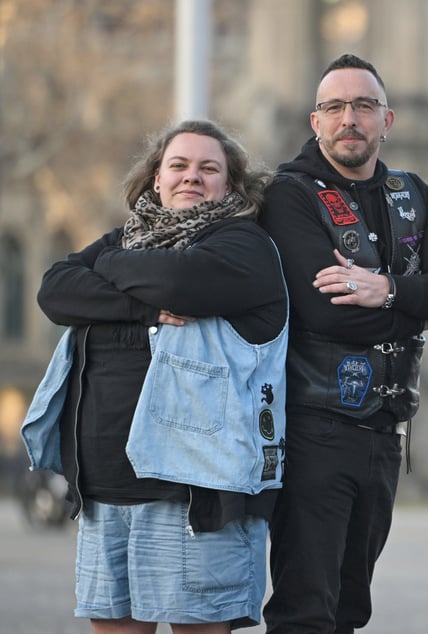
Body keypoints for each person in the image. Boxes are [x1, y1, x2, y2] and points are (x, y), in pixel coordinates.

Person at [20, 119, 289, 633]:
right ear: (156, 179)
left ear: (229, 184)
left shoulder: (244, 246)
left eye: (209, 168)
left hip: (193, 497)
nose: (192, 176)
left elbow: (178, 281)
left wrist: (109, 267)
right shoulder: (129, 238)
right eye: (178, 165)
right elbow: (55, 289)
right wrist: (139, 308)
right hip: (104, 491)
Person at [258, 53, 428, 634]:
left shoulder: (413, 193)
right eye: (335, 107)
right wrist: (414, 305)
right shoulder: (291, 194)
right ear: (316, 122)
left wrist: (384, 290)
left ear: (388, 120)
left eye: (363, 106)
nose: (349, 119)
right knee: (305, 609)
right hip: (314, 430)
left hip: (384, 433)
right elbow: (324, 313)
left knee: (351, 609)